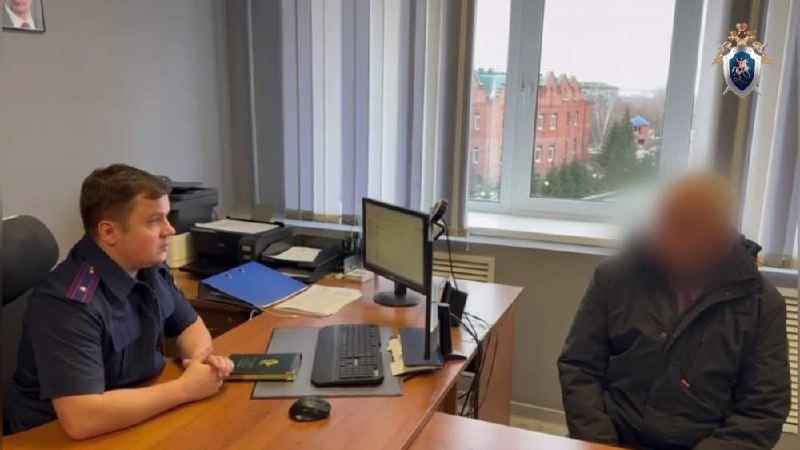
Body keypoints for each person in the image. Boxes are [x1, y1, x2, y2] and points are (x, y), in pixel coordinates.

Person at [558, 173, 790, 449]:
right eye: (666, 219)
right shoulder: (614, 277)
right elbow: (579, 367)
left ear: (720, 232)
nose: (667, 235)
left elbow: (762, 411)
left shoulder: (762, 304)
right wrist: (601, 444)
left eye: (686, 225)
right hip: (612, 440)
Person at [4, 164, 234, 439]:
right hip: (54, 438)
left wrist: (200, 360)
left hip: (132, 413)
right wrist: (184, 389)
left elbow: (189, 324)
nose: (170, 230)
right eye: (154, 221)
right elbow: (81, 419)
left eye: (167, 217)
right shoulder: (67, 303)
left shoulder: (147, 266)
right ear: (109, 232)